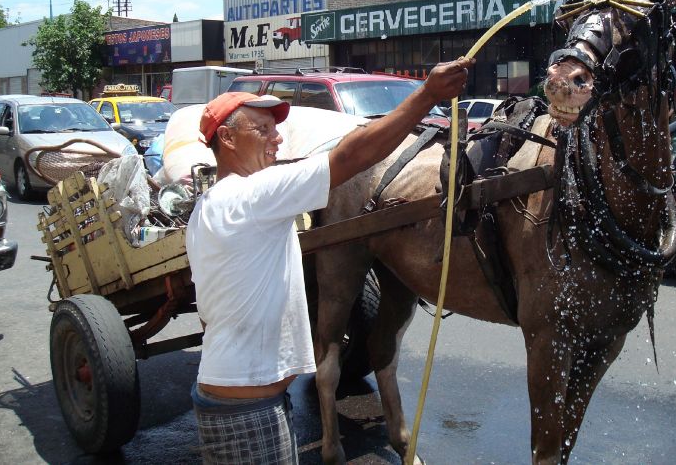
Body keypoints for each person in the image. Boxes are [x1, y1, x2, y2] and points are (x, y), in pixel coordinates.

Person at [185, 59, 473, 463]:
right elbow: (349, 158)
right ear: (228, 139)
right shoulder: (252, 196)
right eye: (263, 130)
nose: (277, 140)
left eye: (276, 130)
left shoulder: (208, 208)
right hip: (247, 412)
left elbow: (207, 314)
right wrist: (426, 95)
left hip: (236, 396)